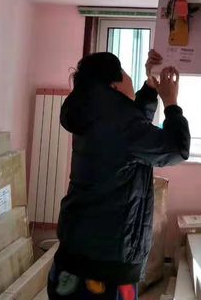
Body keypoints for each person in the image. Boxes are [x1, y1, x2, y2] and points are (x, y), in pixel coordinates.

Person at [48, 50, 190, 300]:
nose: (128, 76)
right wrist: (171, 104)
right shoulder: (120, 124)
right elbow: (177, 148)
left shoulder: (96, 114)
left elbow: (135, 128)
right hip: (104, 274)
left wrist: (150, 85)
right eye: (124, 71)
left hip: (72, 261)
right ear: (113, 85)